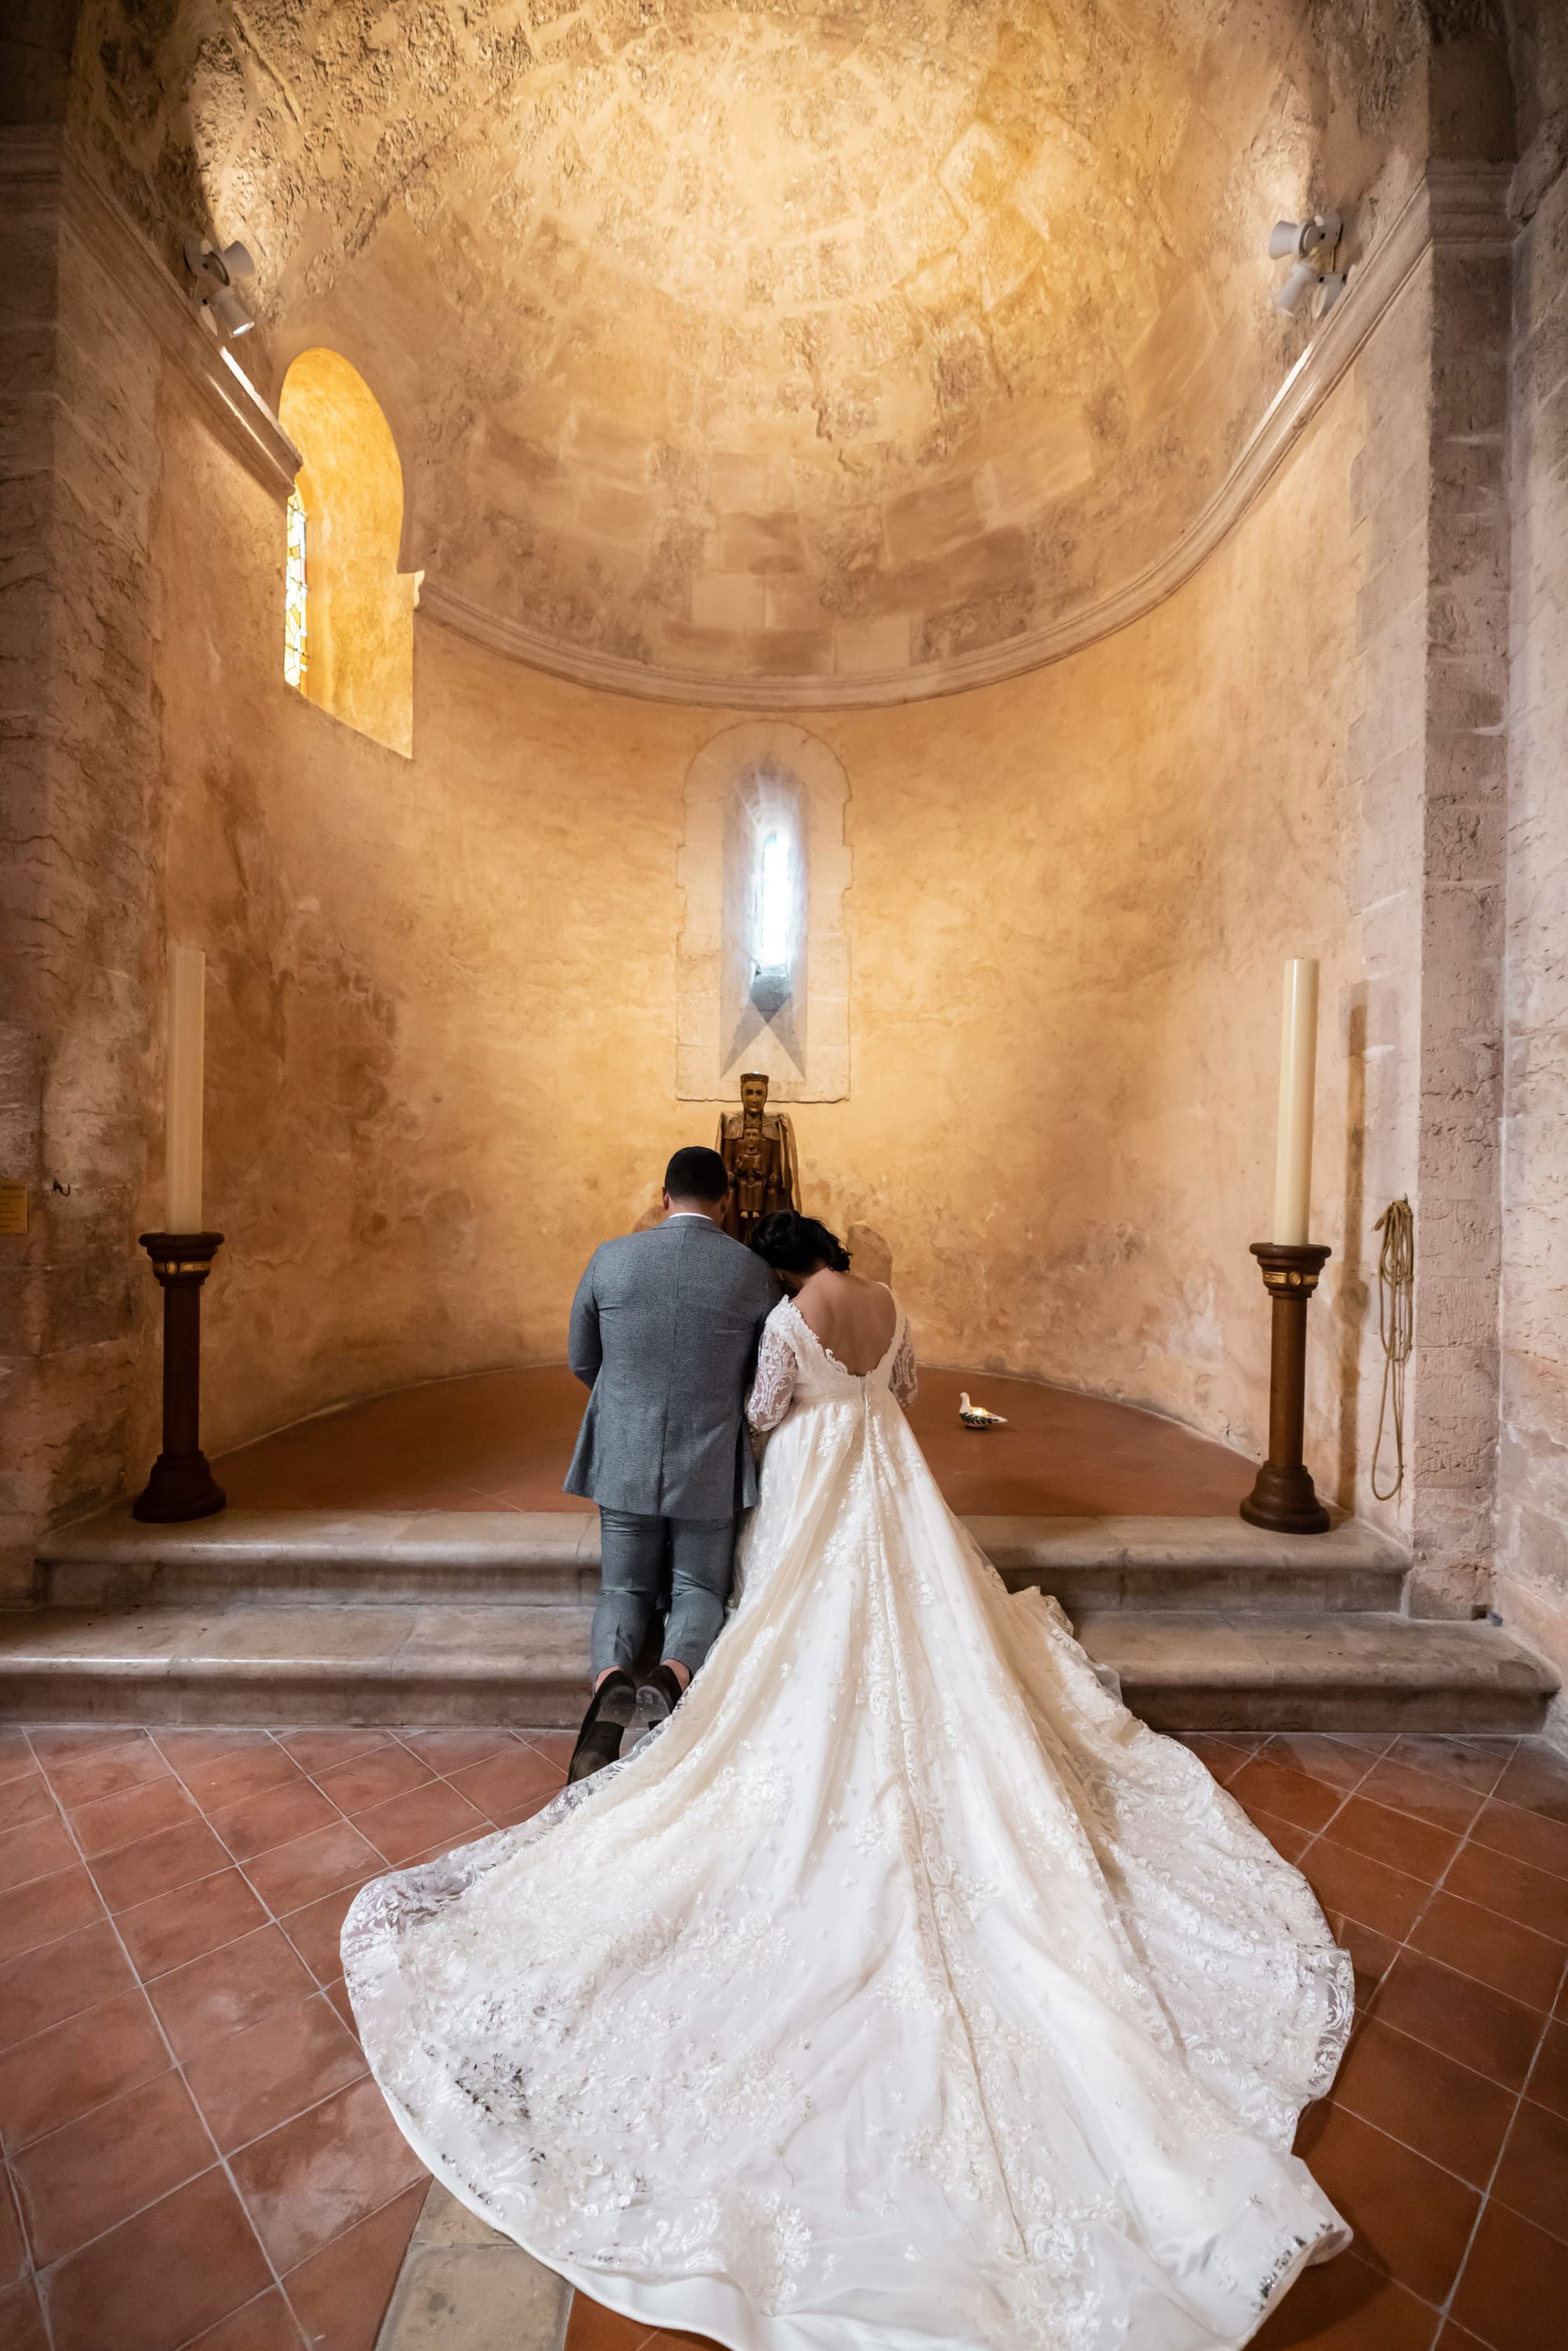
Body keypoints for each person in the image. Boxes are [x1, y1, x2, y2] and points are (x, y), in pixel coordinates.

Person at [345, 1212, 1352, 2351]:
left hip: (820, 1480)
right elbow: (907, 1385)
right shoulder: (889, 1304)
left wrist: (793, 1394)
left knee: (798, 1648)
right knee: (934, 1642)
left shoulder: (786, 1316)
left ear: (783, 1261)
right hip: (890, 1479)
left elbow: (768, 1410)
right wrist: (860, 1395)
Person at [561, 1143, 779, 1782]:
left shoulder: (612, 1257)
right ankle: (672, 1674)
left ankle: (609, 1684)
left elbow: (581, 1357)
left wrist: (627, 1398)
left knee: (624, 1587)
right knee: (699, 1588)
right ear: (727, 1202)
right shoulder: (751, 1271)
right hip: (708, 1454)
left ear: (664, 1196)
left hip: (624, 1451)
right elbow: (765, 1371)